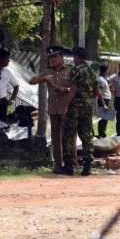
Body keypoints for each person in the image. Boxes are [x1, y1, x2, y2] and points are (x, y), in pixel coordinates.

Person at [29, 46, 74, 174]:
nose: (52, 60)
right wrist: (44, 78)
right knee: (56, 138)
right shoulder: (48, 72)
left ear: (61, 57)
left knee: (69, 137)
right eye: (50, 57)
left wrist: (66, 90)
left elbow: (77, 88)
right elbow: (31, 80)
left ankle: (71, 163)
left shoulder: (70, 70)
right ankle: (58, 165)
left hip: (67, 109)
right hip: (54, 110)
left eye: (54, 57)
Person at [62, 46, 98, 176]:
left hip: (75, 106)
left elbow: (73, 90)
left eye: (73, 57)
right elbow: (97, 93)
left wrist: (66, 106)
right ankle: (87, 166)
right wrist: (87, 99)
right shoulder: (92, 72)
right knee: (87, 135)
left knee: (68, 134)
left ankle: (69, 166)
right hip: (88, 107)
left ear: (76, 57)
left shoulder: (76, 70)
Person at [97, 64, 111, 138]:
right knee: (102, 118)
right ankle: (101, 133)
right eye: (107, 70)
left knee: (106, 117)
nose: (108, 71)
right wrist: (104, 104)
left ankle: (103, 132)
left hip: (107, 99)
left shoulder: (105, 78)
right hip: (103, 100)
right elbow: (100, 92)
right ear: (105, 70)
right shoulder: (101, 79)